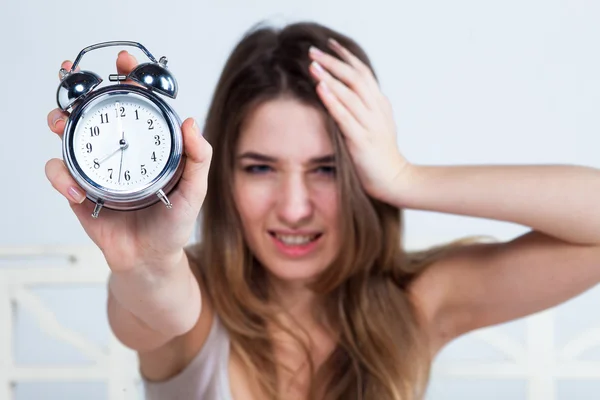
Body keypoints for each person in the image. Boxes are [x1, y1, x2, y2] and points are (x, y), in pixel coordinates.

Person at [45, 20, 600, 400]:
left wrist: (408, 178)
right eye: (260, 168)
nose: (293, 207)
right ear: (224, 173)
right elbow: (155, 307)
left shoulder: (418, 304)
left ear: (364, 173)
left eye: (326, 169)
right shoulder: (191, 304)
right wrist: (151, 260)